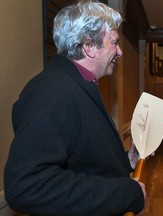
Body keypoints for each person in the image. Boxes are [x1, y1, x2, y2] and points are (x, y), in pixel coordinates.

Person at [4, 1, 146, 215]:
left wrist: (126, 160)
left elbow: (83, 159)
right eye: (114, 43)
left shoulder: (75, 84)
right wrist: (127, 192)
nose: (119, 52)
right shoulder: (54, 90)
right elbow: (28, 186)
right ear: (89, 46)